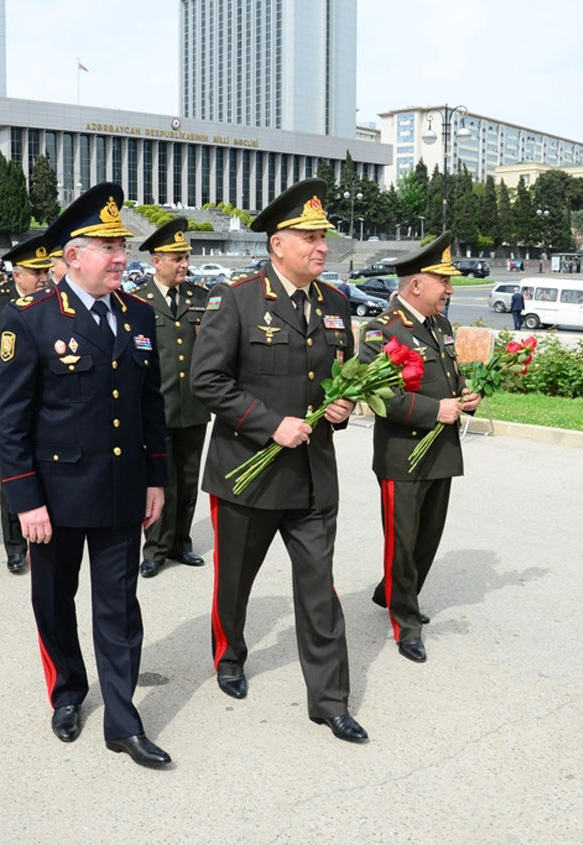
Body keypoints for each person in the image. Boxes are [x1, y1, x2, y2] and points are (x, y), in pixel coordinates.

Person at [0, 183, 171, 768]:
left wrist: (155, 479)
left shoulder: (138, 315)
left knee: (118, 606)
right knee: (54, 598)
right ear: (71, 257)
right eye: (108, 247)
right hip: (56, 498)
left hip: (121, 491)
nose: (122, 257)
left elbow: (151, 407)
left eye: (123, 246)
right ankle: (68, 691)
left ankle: (122, 719)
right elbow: (12, 422)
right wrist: (26, 501)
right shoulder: (33, 321)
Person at [190, 178, 368, 744]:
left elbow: (340, 378)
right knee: (235, 583)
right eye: (310, 237)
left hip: (313, 478)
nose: (322, 247)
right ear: (277, 244)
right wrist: (270, 422)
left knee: (320, 589)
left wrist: (342, 406)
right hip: (248, 473)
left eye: (324, 237)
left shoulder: (336, 304)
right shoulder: (238, 300)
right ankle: (230, 655)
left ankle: (330, 700)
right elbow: (206, 380)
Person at [360, 232, 482, 663]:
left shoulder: (441, 326)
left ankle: (391, 591)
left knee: (427, 538)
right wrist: (436, 410)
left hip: (441, 451)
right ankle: (405, 621)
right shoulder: (382, 330)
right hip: (403, 455)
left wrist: (467, 395)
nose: (450, 289)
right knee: (403, 541)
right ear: (416, 285)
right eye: (443, 281)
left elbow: (452, 376)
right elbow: (381, 398)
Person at [0, 235, 53, 574]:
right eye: (36, 272)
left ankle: (45, 537)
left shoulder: (53, 303)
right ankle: (16, 547)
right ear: (17, 274)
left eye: (46, 271)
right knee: (14, 476)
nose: (44, 278)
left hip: (45, 406)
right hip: (10, 406)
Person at [135, 217, 210, 579]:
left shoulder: (201, 298)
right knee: (158, 481)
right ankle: (155, 548)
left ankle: (181, 541)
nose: (184, 265)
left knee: (187, 478)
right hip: (155, 410)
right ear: (156, 261)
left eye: (186, 258)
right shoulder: (138, 301)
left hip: (193, 407)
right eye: (176, 258)